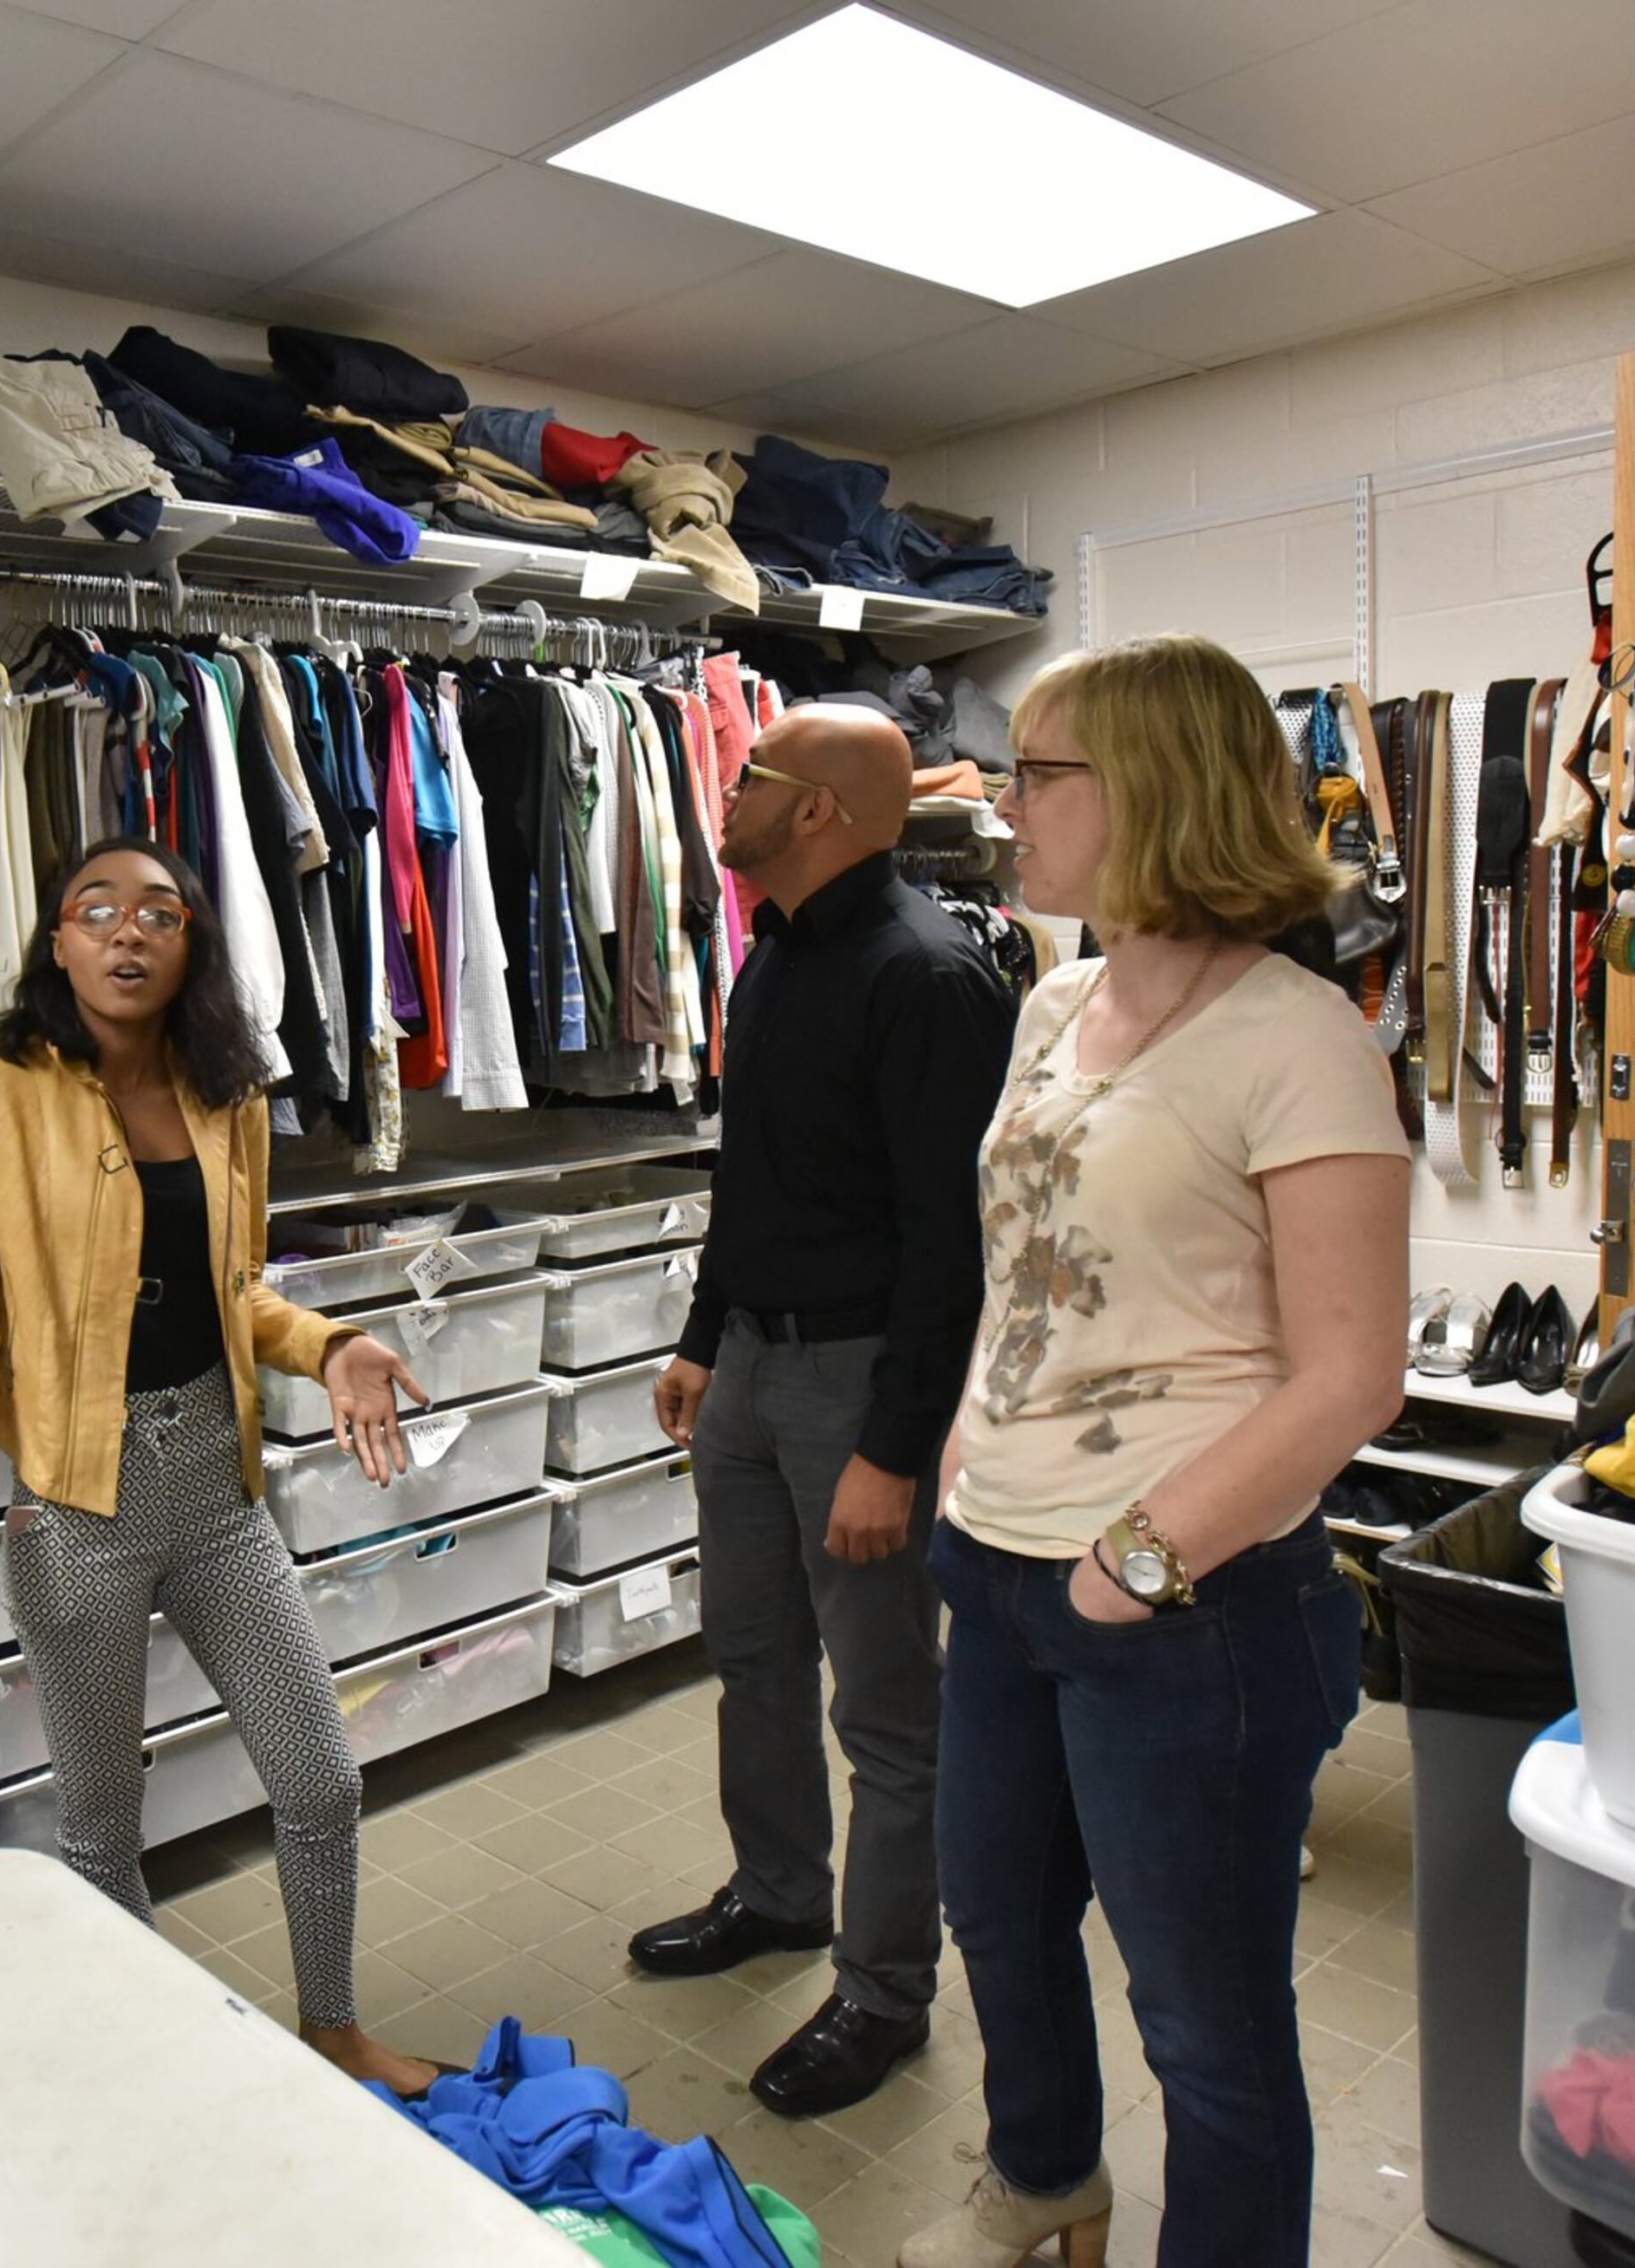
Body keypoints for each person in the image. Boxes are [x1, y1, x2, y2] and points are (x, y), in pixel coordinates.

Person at [898, 635, 1406, 2268]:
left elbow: (1352, 1374)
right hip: (1002, 1563)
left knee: (1205, 2026)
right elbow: (1028, 1258)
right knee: (998, 1921)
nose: (1000, 803)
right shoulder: (1052, 998)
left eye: (1039, 774)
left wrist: (1135, 1565)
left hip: (1183, 1604)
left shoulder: (1299, 1035)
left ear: (1157, 791)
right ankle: (1046, 2194)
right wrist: (975, 1459)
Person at [0, 837, 445, 2096]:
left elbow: (236, 1295)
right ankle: (143, 2054)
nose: (130, 934)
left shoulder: (225, 1088)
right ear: (58, 942)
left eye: (161, 916)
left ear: (194, 947)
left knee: (321, 1779)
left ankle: (332, 2025)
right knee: (100, 1826)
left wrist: (328, 1340)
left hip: (217, 1496)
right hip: (77, 1510)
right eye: (98, 911)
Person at [632, 702, 1016, 2118]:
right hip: (746, 1369)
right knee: (752, 1659)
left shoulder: (928, 976)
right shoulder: (776, 954)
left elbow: (951, 1244)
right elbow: (756, 1179)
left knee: (889, 1712)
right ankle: (781, 1893)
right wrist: (700, 1334)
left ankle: (881, 1992)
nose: (725, 792)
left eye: (751, 774)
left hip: (860, 1383)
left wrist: (893, 1452)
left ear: (819, 811)